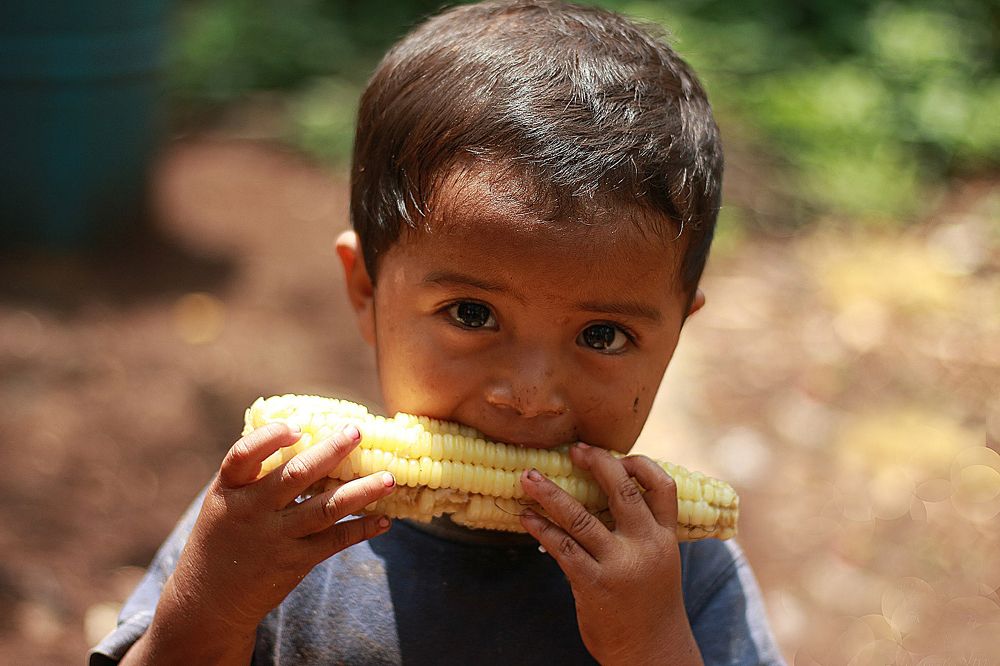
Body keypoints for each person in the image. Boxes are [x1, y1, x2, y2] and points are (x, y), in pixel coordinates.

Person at [90, 1, 785, 664]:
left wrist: (650, 647)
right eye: (473, 315)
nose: (529, 395)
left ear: (676, 335)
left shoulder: (684, 575)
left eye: (602, 335)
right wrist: (213, 603)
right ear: (365, 289)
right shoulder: (271, 519)